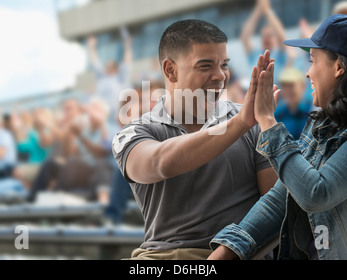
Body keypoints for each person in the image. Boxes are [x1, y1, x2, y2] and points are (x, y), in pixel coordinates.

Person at [112, 19, 278, 260]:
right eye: (205, 66)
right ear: (170, 70)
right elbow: (160, 163)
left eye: (224, 64)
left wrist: (230, 251)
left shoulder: (254, 123)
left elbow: (276, 207)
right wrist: (240, 123)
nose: (220, 75)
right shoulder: (135, 132)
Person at [208, 14, 347, 260]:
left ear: (338, 67)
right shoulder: (322, 124)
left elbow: (317, 194)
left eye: (313, 61)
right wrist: (225, 252)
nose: (308, 73)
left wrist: (268, 122)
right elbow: (280, 198)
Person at [241, 0, 288, 82]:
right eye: (264, 36)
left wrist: (267, 10)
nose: (266, 38)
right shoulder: (255, 54)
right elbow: (245, 37)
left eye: (270, 35)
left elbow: (281, 36)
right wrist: (258, 9)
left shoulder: (279, 55)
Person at [275, 67, 313, 140]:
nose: (288, 90)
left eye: (291, 85)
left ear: (303, 86)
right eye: (284, 86)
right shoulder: (278, 113)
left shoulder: (312, 112)